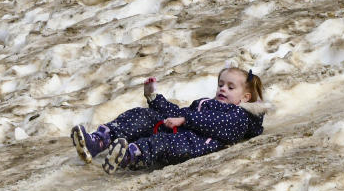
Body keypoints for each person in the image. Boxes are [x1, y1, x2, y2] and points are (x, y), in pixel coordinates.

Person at [71, 67, 267, 174]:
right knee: (142, 115)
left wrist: (185, 120)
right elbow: (178, 112)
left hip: (191, 145)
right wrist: (155, 99)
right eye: (221, 84)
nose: (222, 89)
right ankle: (98, 141)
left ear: (245, 98)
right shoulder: (205, 103)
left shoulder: (241, 116)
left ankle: (129, 156)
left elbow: (217, 125)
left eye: (230, 88)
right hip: (178, 131)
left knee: (161, 143)